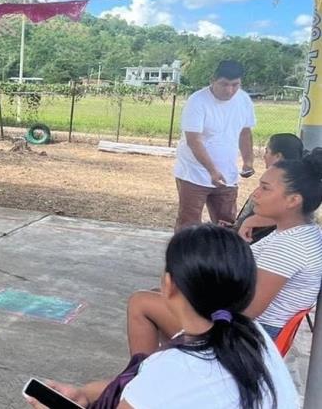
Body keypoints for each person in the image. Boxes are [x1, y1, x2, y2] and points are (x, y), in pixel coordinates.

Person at [25, 225, 298, 409]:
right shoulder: (249, 334)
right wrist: (83, 393)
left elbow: (156, 383)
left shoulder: (176, 368)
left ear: (169, 285)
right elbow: (142, 386)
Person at [127, 148, 322, 357]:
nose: (255, 193)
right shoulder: (303, 232)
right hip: (252, 330)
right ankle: (178, 367)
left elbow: (248, 311)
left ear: (293, 200)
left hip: (246, 339)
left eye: (265, 188)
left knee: (142, 302)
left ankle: (140, 378)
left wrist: (197, 302)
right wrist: (254, 219)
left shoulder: (288, 248)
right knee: (162, 293)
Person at [174, 60, 256, 231]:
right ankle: (185, 256)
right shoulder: (197, 101)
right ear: (212, 80)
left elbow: (245, 132)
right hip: (193, 173)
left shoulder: (244, 100)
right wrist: (211, 170)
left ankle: (222, 257)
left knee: (226, 222)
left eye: (235, 85)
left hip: (227, 175)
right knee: (188, 223)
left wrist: (248, 161)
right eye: (224, 84)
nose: (230, 90)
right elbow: (193, 140)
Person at [234, 133, 304, 243]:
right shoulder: (283, 178)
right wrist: (237, 224)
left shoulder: (289, 181)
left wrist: (248, 222)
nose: (264, 156)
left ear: (278, 156)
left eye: (267, 151)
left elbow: (289, 214)